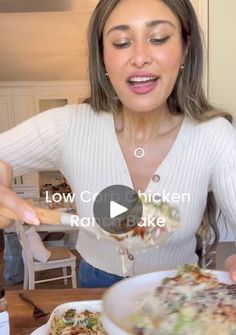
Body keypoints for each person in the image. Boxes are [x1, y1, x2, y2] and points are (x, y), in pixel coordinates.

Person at [0, 0, 236, 287]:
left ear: (186, 47)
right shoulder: (66, 127)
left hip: (178, 291)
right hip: (94, 284)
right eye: (121, 42)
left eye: (158, 38)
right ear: (102, 57)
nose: (140, 57)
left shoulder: (215, 136)